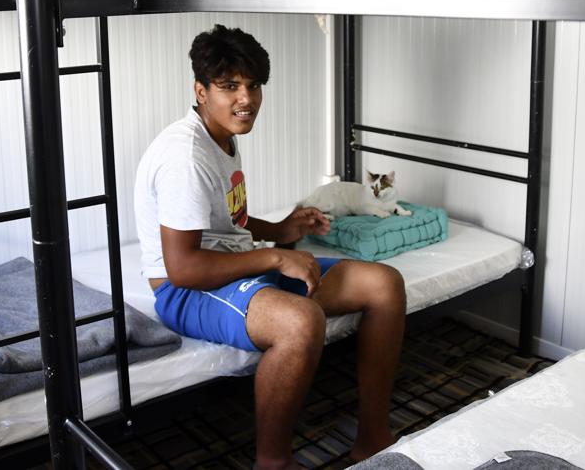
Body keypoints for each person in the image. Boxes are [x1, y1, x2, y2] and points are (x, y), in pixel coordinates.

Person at [134, 24, 407, 470]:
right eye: (229, 87)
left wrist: (279, 230)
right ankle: (273, 463)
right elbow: (181, 268)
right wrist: (278, 255)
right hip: (186, 290)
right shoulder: (185, 157)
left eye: (253, 85)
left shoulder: (220, 136)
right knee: (300, 321)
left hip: (235, 269)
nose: (246, 98)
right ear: (200, 91)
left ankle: (373, 438)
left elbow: (227, 222)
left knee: (384, 284)